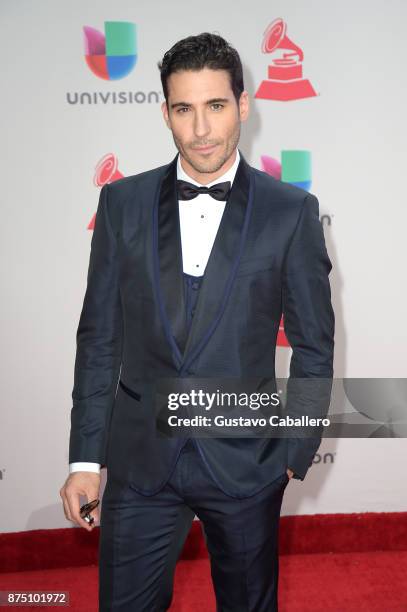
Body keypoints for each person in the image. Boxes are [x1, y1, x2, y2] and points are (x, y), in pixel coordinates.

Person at [60, 32, 335, 611]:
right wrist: (86, 460)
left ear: (243, 105)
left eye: (215, 106)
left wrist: (291, 453)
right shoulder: (121, 205)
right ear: (165, 113)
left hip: (246, 460)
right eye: (184, 109)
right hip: (139, 465)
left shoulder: (291, 213)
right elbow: (100, 338)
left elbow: (313, 347)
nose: (202, 129)